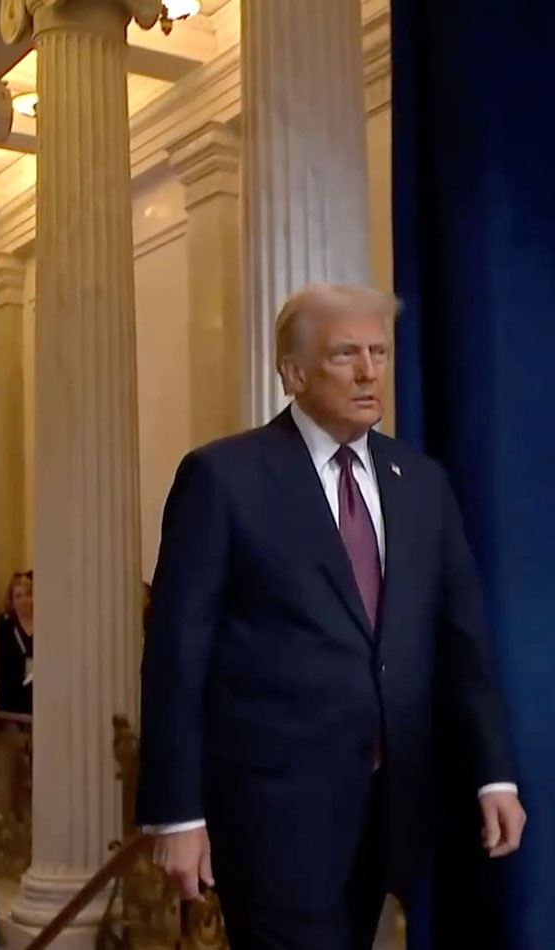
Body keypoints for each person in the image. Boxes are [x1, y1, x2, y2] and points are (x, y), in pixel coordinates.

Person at [137, 283, 526, 949]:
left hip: (392, 807)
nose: (369, 371)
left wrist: (495, 774)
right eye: (346, 354)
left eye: (379, 352)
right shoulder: (224, 478)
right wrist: (176, 814)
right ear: (292, 373)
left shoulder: (421, 481)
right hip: (272, 814)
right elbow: (177, 656)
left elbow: (463, 643)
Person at [0, 571, 34, 715]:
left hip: (38, 701)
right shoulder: (4, 628)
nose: (24, 600)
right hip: (11, 704)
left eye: (28, 594)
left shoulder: (44, 628)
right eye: (18, 596)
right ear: (11, 601)